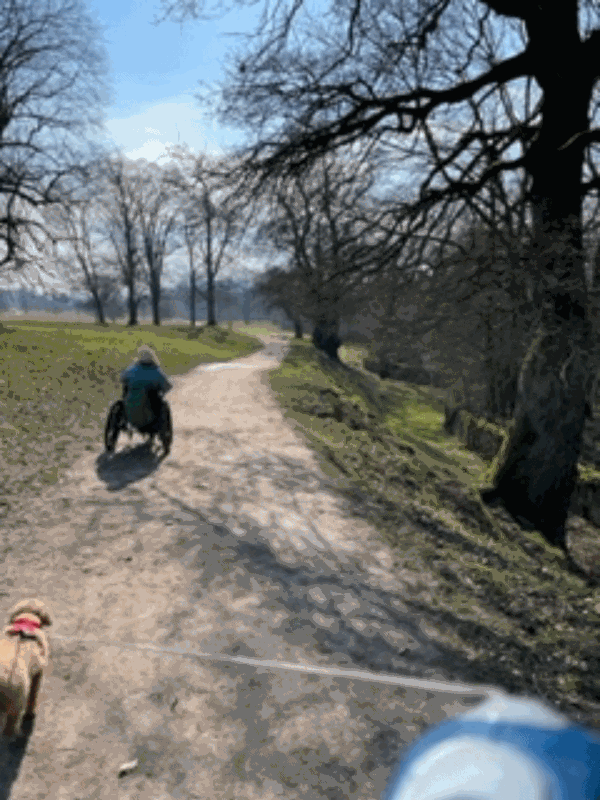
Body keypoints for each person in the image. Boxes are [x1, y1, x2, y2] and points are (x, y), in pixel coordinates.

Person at [120, 346, 172, 430]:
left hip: (129, 407)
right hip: (151, 411)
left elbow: (122, 379)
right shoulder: (157, 372)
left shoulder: (131, 370)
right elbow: (168, 386)